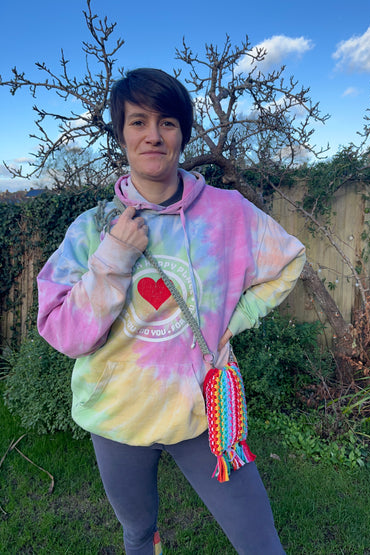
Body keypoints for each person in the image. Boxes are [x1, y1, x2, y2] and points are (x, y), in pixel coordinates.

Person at [37, 68, 306, 555]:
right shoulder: (93, 229)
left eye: (167, 122)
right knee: (138, 534)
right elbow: (63, 332)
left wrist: (234, 321)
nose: (153, 135)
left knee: (261, 543)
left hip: (201, 411)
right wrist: (114, 258)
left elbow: (288, 260)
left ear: (182, 132)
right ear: (121, 135)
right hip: (116, 415)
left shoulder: (229, 213)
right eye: (138, 122)